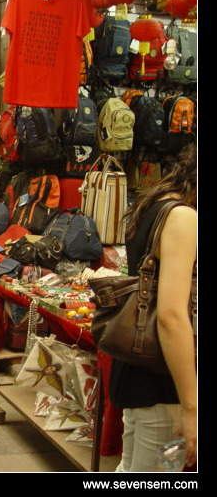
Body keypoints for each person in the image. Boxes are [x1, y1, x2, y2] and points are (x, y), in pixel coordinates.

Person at [109, 143, 197, 471]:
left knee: (133, 468)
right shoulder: (182, 216)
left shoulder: (157, 203)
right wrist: (191, 408)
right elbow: (172, 315)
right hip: (162, 378)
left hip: (141, 364)